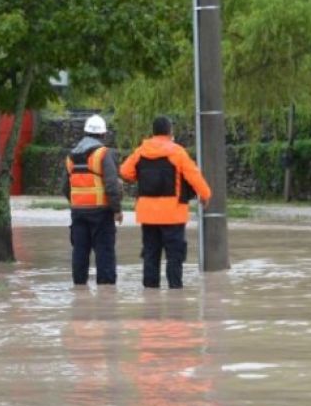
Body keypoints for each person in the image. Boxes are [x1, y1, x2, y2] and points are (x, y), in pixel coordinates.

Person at [119, 116, 212, 289]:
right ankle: (175, 293)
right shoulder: (177, 152)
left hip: (148, 214)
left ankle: (150, 293)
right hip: (173, 214)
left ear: (153, 132)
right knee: (174, 256)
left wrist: (138, 176)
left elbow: (125, 171)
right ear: (170, 132)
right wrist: (205, 195)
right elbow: (194, 176)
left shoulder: (141, 151)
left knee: (150, 254)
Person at [62, 114, 123, 285]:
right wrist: (117, 209)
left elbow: (65, 187)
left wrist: (77, 202)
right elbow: (111, 184)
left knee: (79, 252)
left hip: (78, 213)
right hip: (101, 212)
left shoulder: (71, 156)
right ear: (103, 135)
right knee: (104, 253)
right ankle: (106, 295)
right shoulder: (103, 154)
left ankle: (79, 288)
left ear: (85, 133)